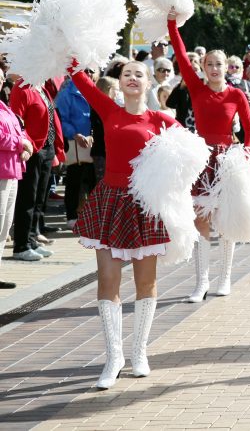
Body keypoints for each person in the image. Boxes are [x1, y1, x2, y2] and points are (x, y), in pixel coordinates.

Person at [70, 61, 180, 389]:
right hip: (110, 201)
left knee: (145, 283)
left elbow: (187, 158)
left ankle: (138, 352)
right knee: (107, 280)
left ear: (148, 83)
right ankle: (113, 356)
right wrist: (64, 39)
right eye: (126, 74)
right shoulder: (108, 109)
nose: (132, 78)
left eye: (138, 74)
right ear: (119, 81)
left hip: (144, 206)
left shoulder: (161, 119)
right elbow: (79, 76)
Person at [167, 12, 250, 303]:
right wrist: (172, 24)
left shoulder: (236, 95)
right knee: (200, 219)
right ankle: (201, 281)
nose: (215, 68)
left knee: (226, 220)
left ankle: (225, 277)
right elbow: (180, 54)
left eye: (220, 64)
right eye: (210, 64)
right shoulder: (196, 87)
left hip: (227, 160)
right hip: (200, 158)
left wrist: (244, 151)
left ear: (227, 67)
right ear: (203, 67)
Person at [9, 73, 64, 261]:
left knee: (40, 197)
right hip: (32, 151)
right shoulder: (22, 88)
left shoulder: (41, 88)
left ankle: (32, 240)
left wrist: (55, 149)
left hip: (46, 149)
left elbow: (51, 119)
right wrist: (26, 144)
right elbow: (17, 122)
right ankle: (21, 245)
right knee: (27, 198)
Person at [57, 71, 99, 229]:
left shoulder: (95, 90)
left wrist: (93, 135)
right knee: (74, 182)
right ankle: (72, 216)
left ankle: (92, 216)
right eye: (85, 71)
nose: (89, 74)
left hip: (94, 144)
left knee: (94, 182)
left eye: (92, 71)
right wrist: (75, 134)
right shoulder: (67, 94)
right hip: (76, 144)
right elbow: (62, 119)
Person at [0, 87, 31, 287]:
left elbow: (20, 130)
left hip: (12, 170)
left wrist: (26, 146)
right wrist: (22, 143)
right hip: (1, 172)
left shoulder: (4, 106)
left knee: (4, 226)